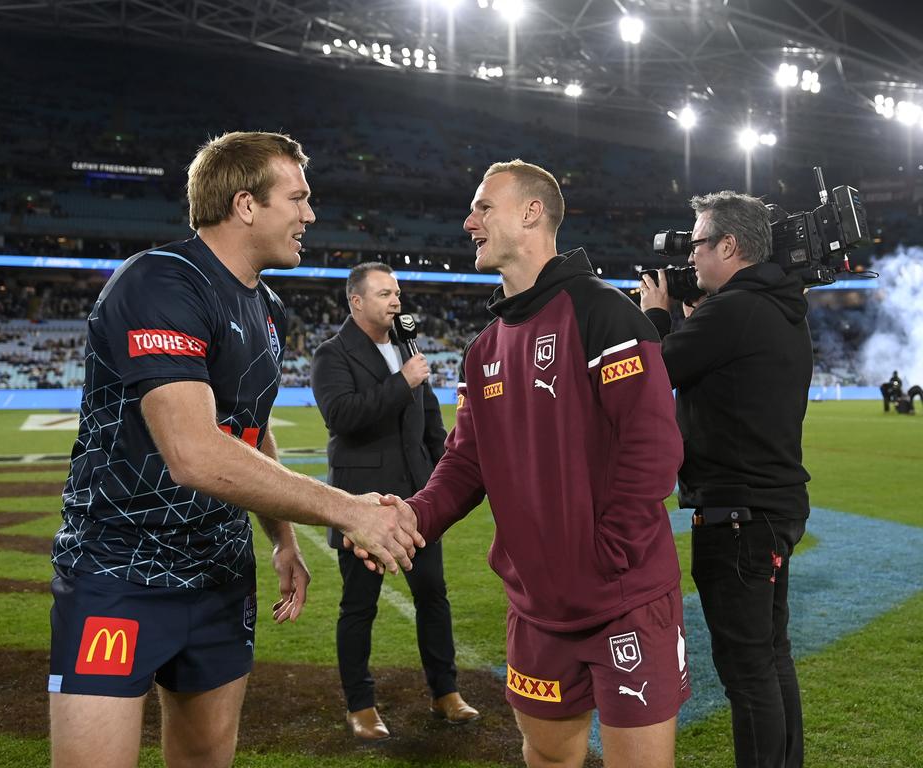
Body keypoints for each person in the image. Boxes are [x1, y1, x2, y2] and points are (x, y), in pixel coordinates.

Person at [48, 131, 423, 768]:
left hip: (220, 577)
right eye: (298, 199)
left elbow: (252, 430)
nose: (310, 215)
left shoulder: (267, 305)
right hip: (120, 573)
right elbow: (193, 452)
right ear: (246, 205)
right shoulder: (161, 280)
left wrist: (281, 538)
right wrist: (348, 510)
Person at [377, 160, 688, 767]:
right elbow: (467, 462)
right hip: (536, 610)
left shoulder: (605, 314)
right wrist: (411, 518)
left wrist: (610, 552)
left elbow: (652, 446)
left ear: (531, 213)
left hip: (623, 600)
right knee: (545, 758)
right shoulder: (483, 348)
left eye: (482, 207)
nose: (468, 222)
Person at [640, 190, 812, 768]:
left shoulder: (734, 310)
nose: (689, 258)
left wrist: (657, 317)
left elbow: (649, 373)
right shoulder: (776, 305)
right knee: (770, 659)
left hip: (738, 513)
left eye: (697, 245)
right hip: (771, 507)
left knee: (748, 673)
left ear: (729, 245)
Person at [311, 262, 478, 742]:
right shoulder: (332, 355)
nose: (396, 301)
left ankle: (445, 692)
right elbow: (342, 416)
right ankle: (360, 705)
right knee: (359, 608)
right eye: (385, 293)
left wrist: (436, 490)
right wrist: (402, 381)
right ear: (356, 302)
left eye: (397, 292)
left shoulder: (410, 350)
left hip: (415, 504)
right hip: (361, 506)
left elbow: (430, 428)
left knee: (433, 597)